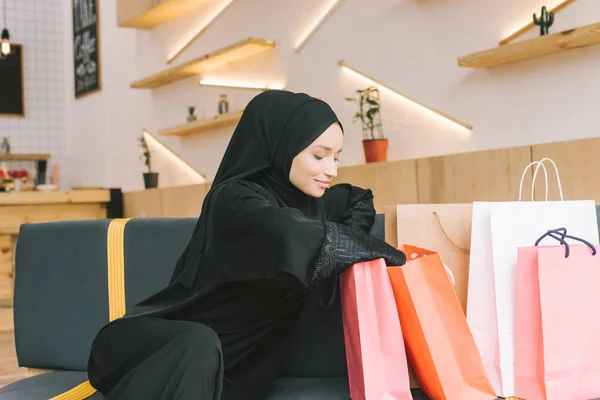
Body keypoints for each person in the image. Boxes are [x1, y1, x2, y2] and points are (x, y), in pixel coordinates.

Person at [87, 90, 407, 400]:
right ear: (281, 145)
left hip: (235, 372)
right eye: (319, 155)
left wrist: (351, 240)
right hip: (160, 348)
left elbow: (359, 198)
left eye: (336, 157)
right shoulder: (234, 201)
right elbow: (292, 237)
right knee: (199, 343)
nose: (331, 170)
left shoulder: (315, 200)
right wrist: (388, 254)